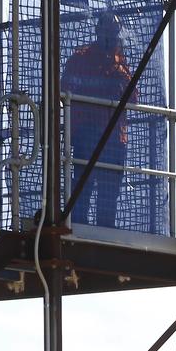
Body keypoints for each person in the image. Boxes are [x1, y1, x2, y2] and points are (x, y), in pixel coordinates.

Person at [62, 12, 132, 229]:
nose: (110, 36)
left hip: (113, 137)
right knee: (83, 187)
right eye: (108, 31)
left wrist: (117, 74)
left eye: (114, 32)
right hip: (88, 133)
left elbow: (132, 96)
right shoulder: (81, 58)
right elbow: (64, 89)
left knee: (109, 192)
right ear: (98, 31)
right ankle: (80, 226)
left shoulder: (120, 63)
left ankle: (105, 229)